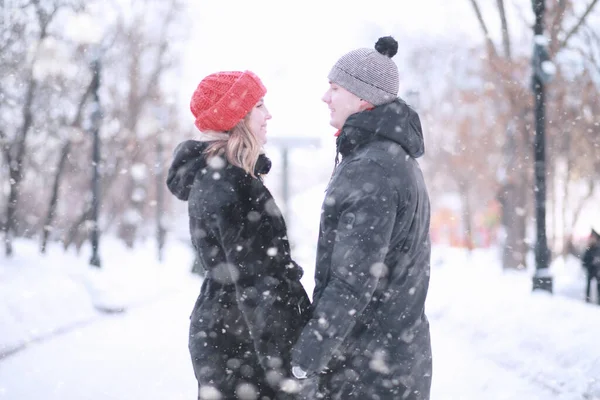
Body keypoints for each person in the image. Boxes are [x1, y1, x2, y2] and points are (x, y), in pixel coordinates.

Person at [290, 36, 433, 399]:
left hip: (366, 369)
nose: (326, 97)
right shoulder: (396, 159)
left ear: (362, 98)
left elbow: (353, 280)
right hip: (396, 360)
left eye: (334, 88)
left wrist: (305, 357)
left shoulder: (371, 168)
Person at [166, 70, 311, 399]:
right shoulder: (231, 184)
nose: (268, 114)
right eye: (259, 105)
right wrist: (286, 371)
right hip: (242, 349)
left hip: (231, 340)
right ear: (237, 117)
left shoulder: (225, 178)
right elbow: (257, 284)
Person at [582, 227, 600, 304]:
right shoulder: (588, 249)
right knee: (588, 284)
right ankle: (587, 298)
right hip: (590, 269)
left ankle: (598, 299)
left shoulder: (598, 248)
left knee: (598, 285)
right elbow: (584, 260)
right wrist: (590, 263)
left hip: (597, 270)